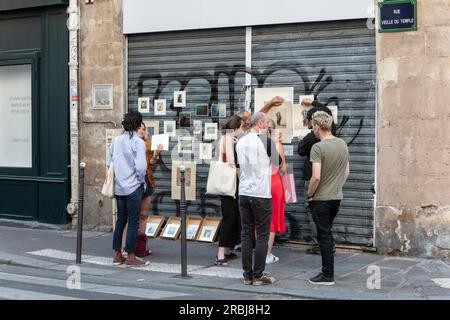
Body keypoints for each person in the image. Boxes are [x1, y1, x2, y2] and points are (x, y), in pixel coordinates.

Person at [236, 112, 282, 286]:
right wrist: (275, 141)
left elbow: (239, 167)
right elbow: (278, 163)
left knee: (246, 233)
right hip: (261, 193)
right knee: (262, 235)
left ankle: (247, 275)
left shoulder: (240, 141)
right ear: (261, 124)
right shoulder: (265, 141)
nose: (268, 126)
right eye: (267, 123)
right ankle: (258, 275)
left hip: (244, 192)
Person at [307, 111, 350, 285]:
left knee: (324, 236)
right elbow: (347, 171)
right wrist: (336, 187)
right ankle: (327, 272)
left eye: (313, 126)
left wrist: (310, 194)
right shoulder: (342, 144)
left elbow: (315, 177)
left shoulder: (318, 147)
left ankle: (327, 275)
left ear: (317, 126)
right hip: (336, 198)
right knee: (327, 233)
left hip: (320, 200)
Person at [108, 111, 149, 267]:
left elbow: (109, 163)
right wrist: (140, 182)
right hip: (133, 187)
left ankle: (117, 255)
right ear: (138, 124)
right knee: (133, 222)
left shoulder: (116, 140)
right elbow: (140, 167)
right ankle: (131, 257)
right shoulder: (138, 142)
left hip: (119, 188)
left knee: (121, 221)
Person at [298, 98, 336, 254]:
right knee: (326, 211)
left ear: (312, 122)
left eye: (307, 121)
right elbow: (327, 112)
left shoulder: (310, 137)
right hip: (330, 176)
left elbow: (300, 151)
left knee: (313, 211)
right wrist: (314, 102)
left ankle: (319, 245)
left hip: (313, 177)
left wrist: (302, 140)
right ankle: (327, 242)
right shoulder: (331, 131)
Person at [214, 115, 242, 266]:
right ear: (236, 127)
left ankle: (226, 250)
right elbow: (231, 161)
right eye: (241, 127)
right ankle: (220, 254)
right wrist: (240, 174)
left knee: (230, 215)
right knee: (229, 216)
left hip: (224, 182)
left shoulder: (224, 139)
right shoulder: (228, 139)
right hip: (230, 183)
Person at [135, 122, 163, 257]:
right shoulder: (131, 144)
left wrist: (156, 153)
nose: (141, 131)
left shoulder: (147, 144)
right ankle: (126, 247)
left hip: (148, 179)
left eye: (143, 129)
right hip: (134, 182)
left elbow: (150, 164)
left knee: (143, 216)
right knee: (131, 217)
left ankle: (142, 247)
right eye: (139, 128)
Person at [265, 119, 287, 264]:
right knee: (272, 221)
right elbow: (282, 168)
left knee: (261, 219)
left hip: (261, 184)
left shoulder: (257, 144)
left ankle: (261, 251)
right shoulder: (275, 145)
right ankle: (266, 255)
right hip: (274, 183)